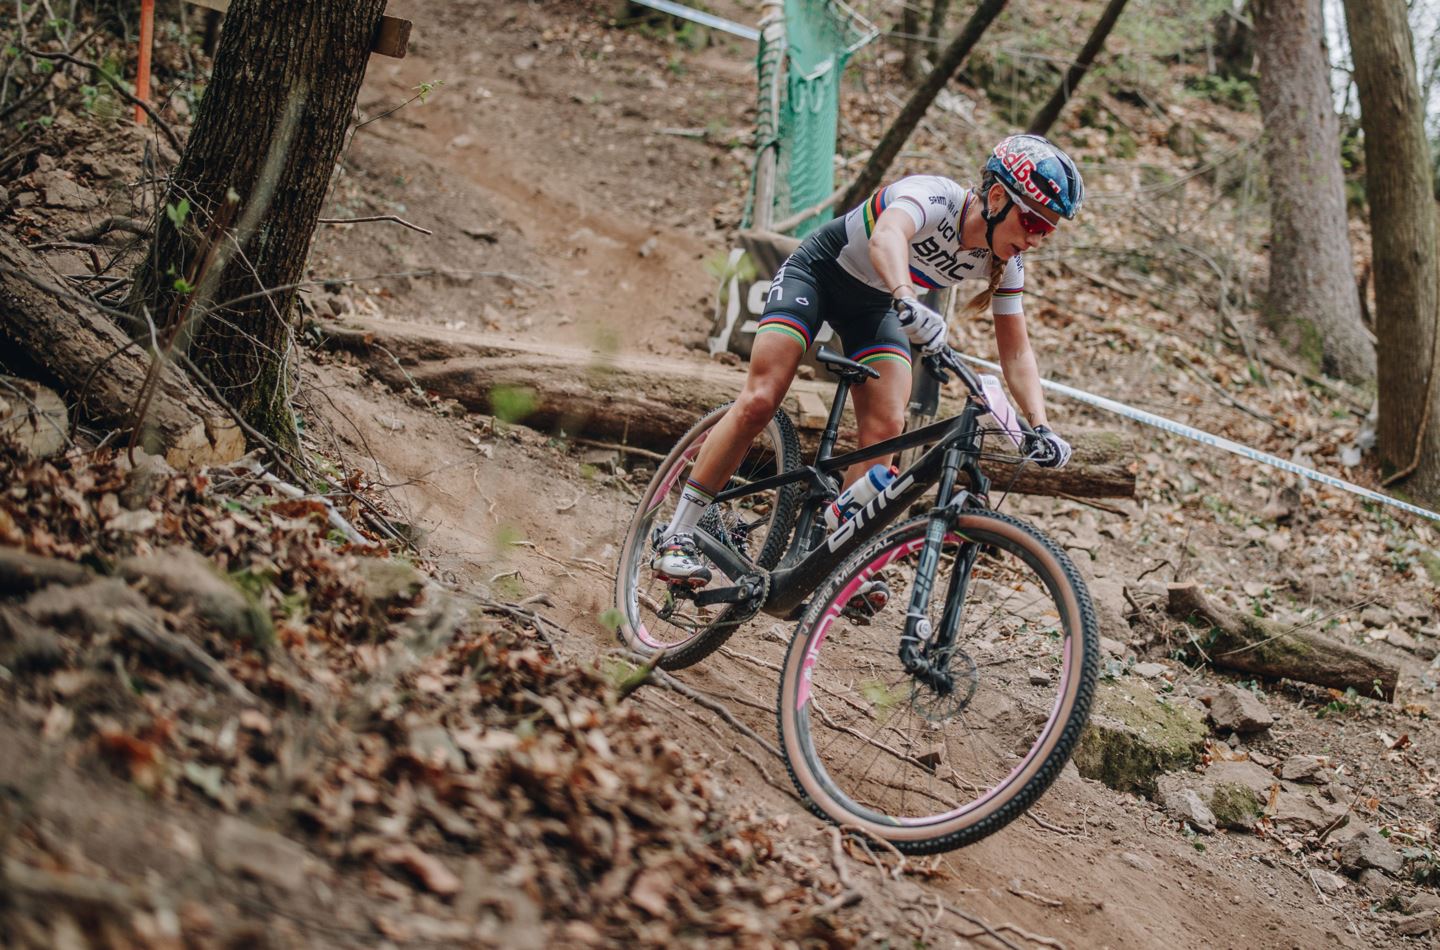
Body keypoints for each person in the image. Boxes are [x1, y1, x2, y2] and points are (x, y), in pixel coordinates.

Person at [655, 133, 1084, 588]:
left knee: (887, 428)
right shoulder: (934, 196)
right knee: (761, 399)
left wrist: (1040, 425)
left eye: (1049, 231)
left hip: (875, 308)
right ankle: (678, 533)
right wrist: (906, 296)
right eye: (1034, 223)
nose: (1037, 240)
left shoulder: (1006, 261)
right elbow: (887, 238)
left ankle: (835, 552)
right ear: (997, 197)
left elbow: (1015, 351)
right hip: (818, 275)